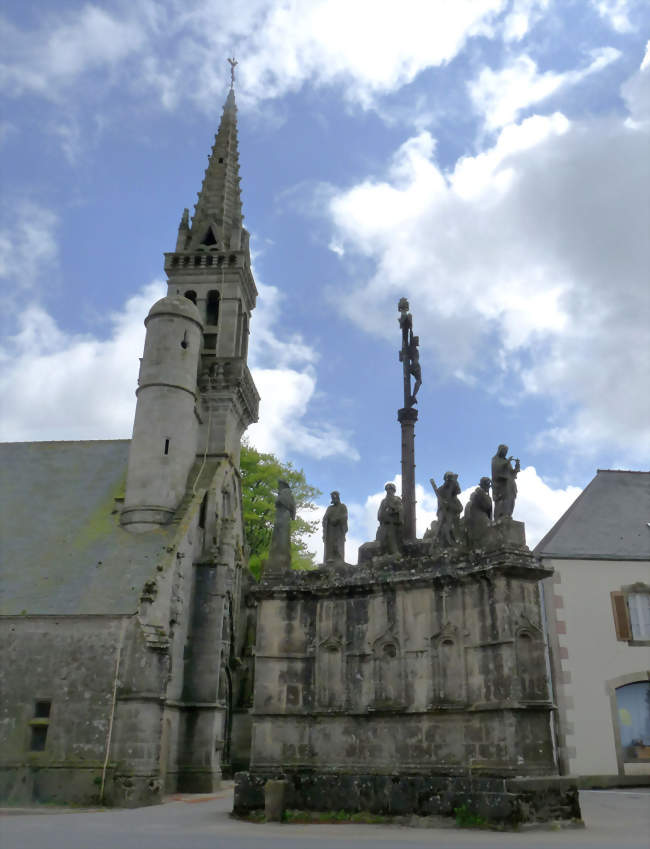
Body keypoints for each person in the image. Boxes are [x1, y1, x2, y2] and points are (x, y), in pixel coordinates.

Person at [267, 479, 296, 570]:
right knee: (278, 537)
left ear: (283, 485)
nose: (278, 487)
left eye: (279, 485)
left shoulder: (285, 493)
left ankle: (281, 556)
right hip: (280, 516)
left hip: (283, 516)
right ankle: (277, 555)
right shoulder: (284, 493)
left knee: (282, 537)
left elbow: (281, 502)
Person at [430, 472, 462, 546]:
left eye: (451, 480)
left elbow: (458, 492)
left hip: (453, 512)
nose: (450, 481)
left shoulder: (454, 487)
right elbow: (440, 505)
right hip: (444, 512)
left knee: (454, 526)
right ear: (446, 479)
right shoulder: (441, 490)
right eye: (449, 479)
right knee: (443, 526)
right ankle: (443, 542)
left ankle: (455, 541)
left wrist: (454, 482)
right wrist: (444, 505)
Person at [491, 445, 520, 520]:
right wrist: (507, 462)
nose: (505, 453)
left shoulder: (506, 461)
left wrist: (517, 465)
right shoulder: (495, 459)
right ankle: (502, 515)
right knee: (504, 499)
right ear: (500, 450)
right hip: (502, 484)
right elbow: (496, 469)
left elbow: (512, 473)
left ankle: (508, 514)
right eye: (504, 451)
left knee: (512, 499)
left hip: (510, 483)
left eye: (506, 452)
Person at [464, 477, 493, 545]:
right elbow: (487, 505)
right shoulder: (480, 494)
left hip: (479, 520)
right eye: (487, 486)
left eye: (489, 486)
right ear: (484, 486)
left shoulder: (481, 494)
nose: (488, 488)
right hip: (479, 520)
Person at [376, 483, 403, 555]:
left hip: (393, 525)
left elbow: (400, 509)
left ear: (394, 491)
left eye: (390, 489)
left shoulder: (397, 499)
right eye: (387, 490)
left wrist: (392, 509)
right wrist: (381, 516)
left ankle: (395, 555)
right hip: (384, 525)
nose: (388, 491)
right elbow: (379, 513)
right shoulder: (383, 501)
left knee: (392, 543)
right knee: (382, 542)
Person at [322, 491, 348, 563]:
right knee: (329, 544)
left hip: (339, 530)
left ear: (338, 497)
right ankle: (329, 558)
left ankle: (339, 558)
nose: (334, 499)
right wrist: (327, 520)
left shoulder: (343, 506)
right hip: (330, 530)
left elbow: (344, 516)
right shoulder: (329, 508)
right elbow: (324, 518)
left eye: (335, 497)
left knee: (338, 544)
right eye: (332, 497)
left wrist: (337, 519)